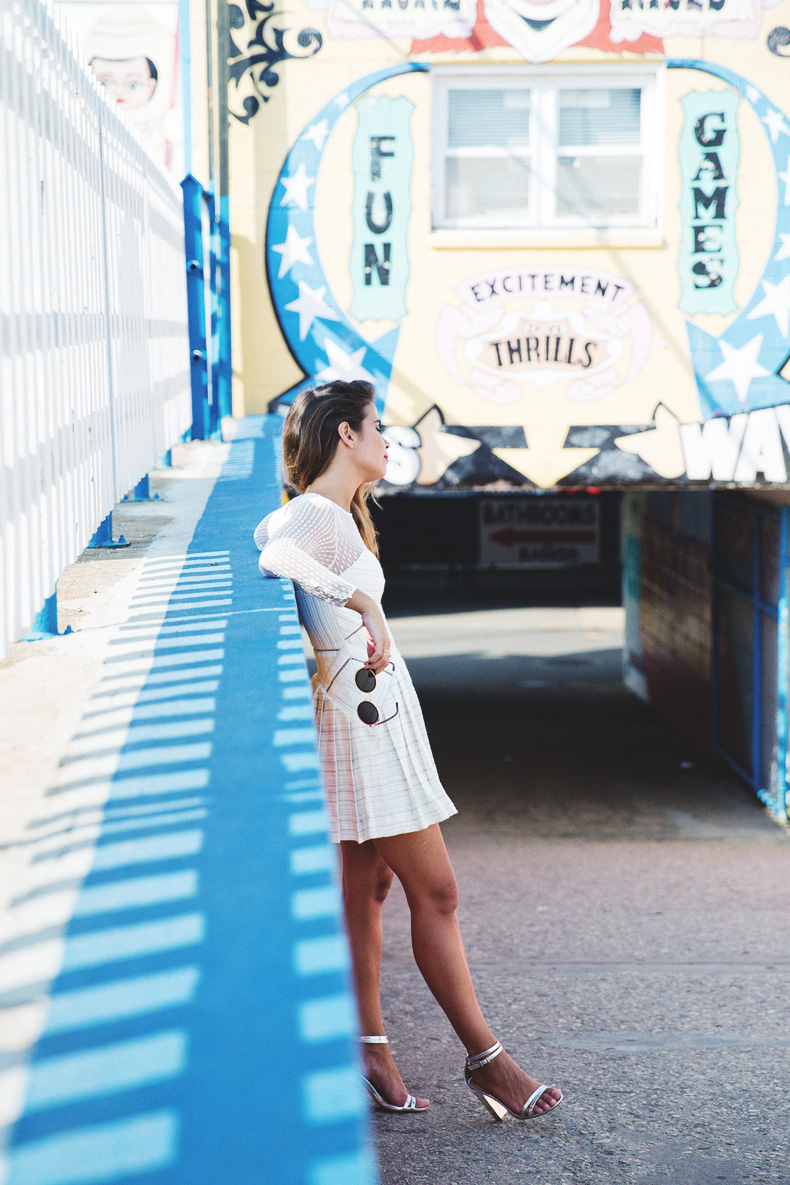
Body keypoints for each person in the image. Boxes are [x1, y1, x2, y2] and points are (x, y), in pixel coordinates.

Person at [254, 379, 562, 1122]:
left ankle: (370, 1048)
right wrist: (361, 600)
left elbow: (275, 533)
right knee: (439, 892)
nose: (389, 440)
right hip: (362, 729)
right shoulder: (318, 513)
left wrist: (355, 599)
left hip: (369, 717)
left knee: (369, 892)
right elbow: (274, 553)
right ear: (344, 437)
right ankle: (489, 1062)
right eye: (377, 426)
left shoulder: (335, 512)